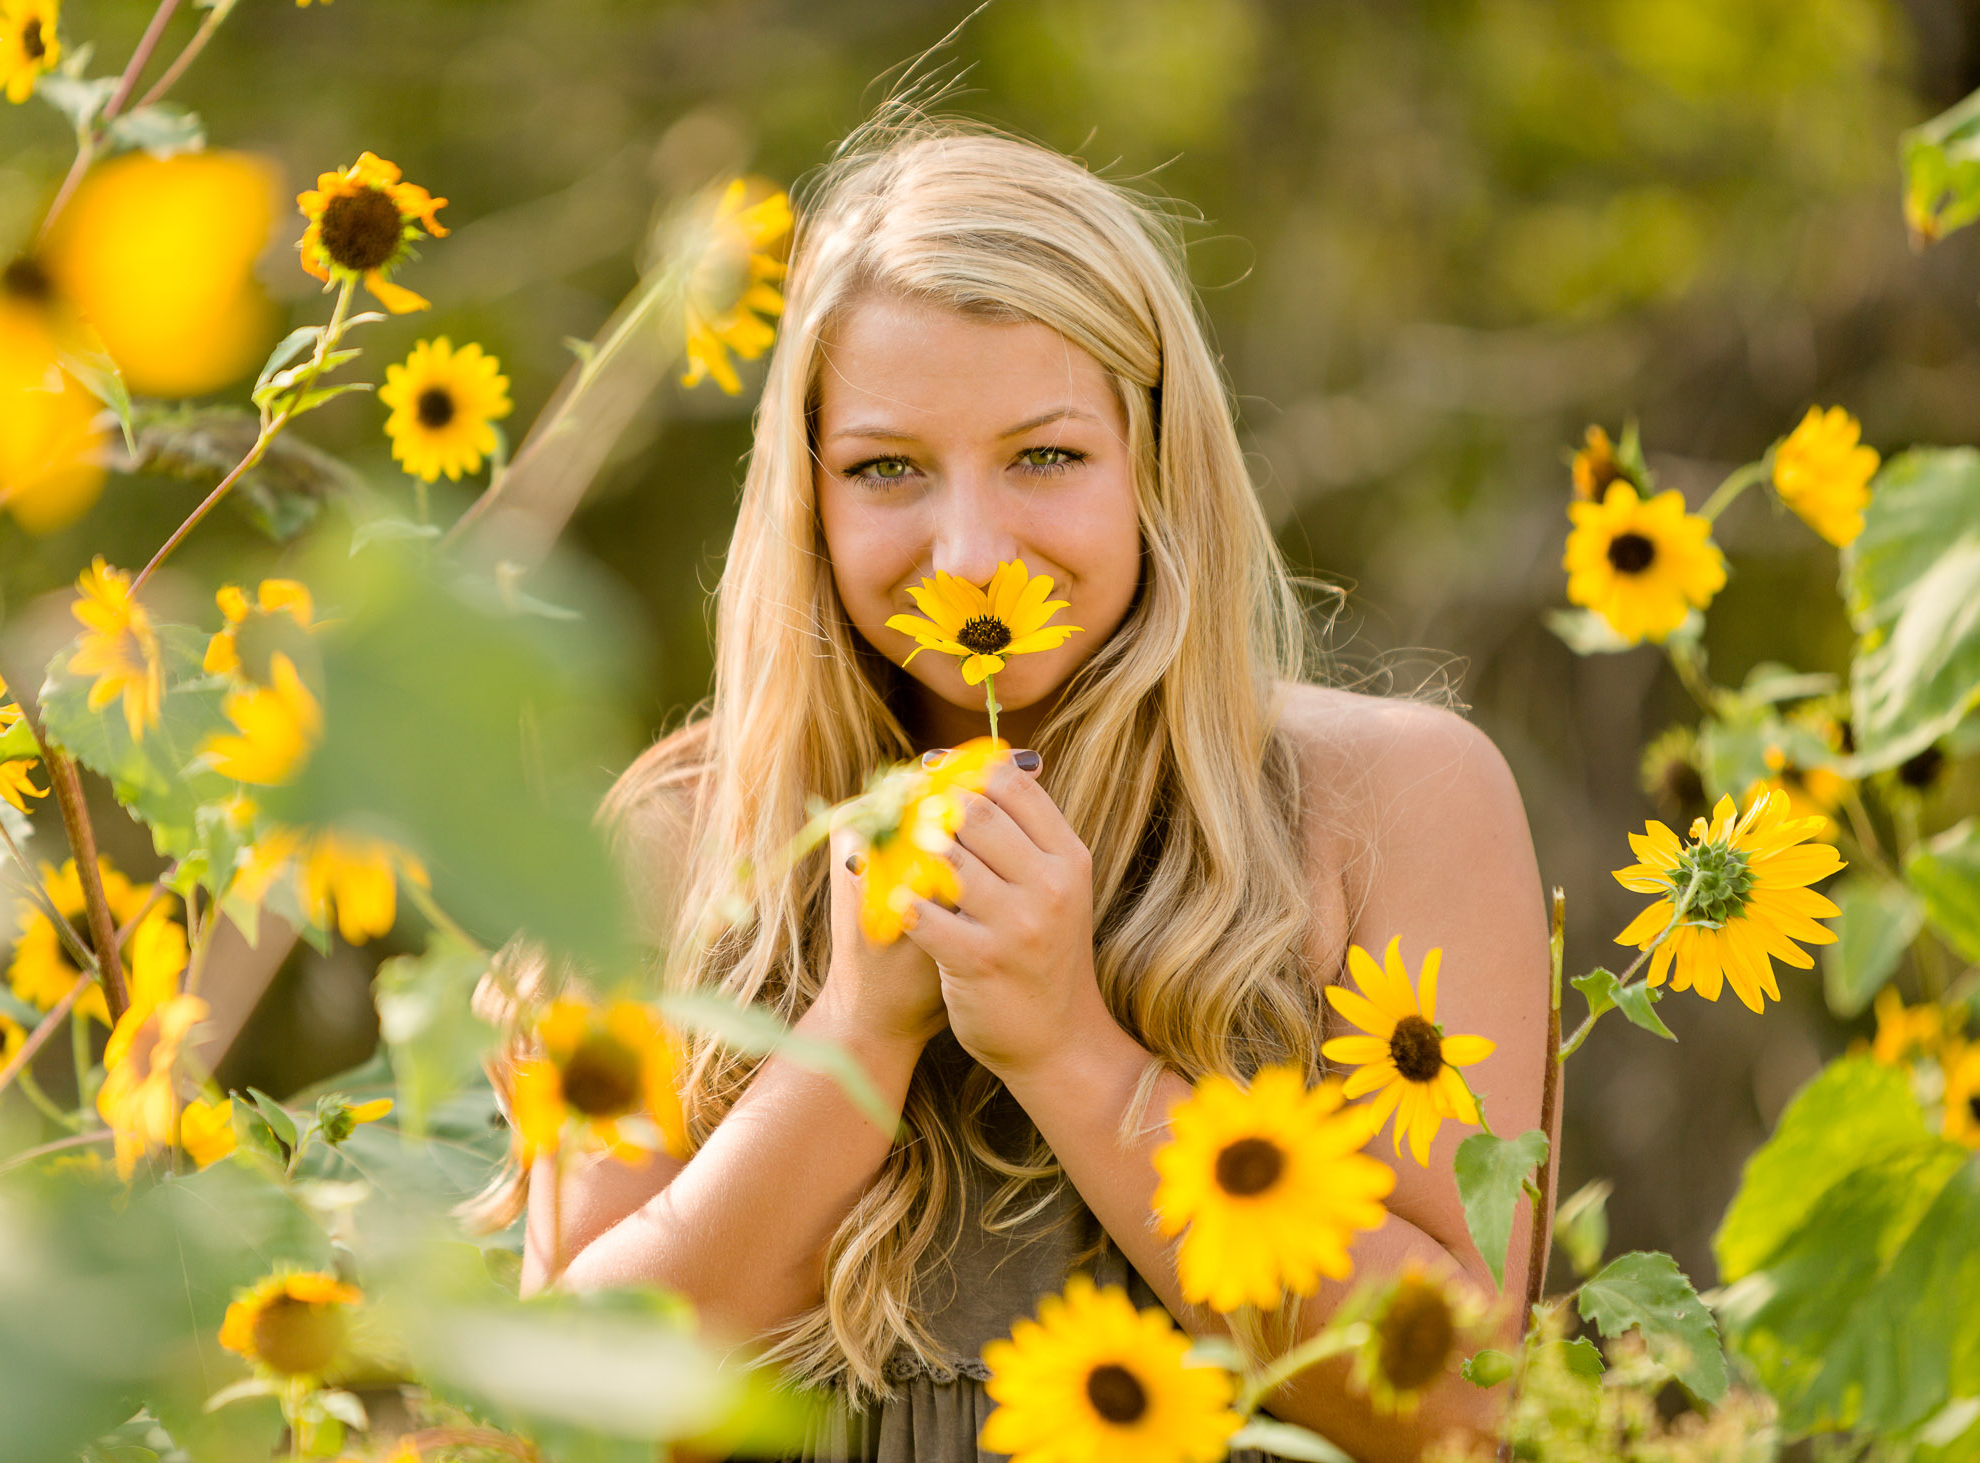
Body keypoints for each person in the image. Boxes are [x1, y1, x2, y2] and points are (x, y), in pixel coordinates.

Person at [488, 110, 1554, 1463]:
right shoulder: (682, 840)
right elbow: (562, 1412)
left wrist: (1068, 1046)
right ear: (803, 494)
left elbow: (1457, 1408)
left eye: (1043, 457)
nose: (969, 549)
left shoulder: (1387, 803)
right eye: (885, 469)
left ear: (1156, 463)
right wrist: (858, 1033)